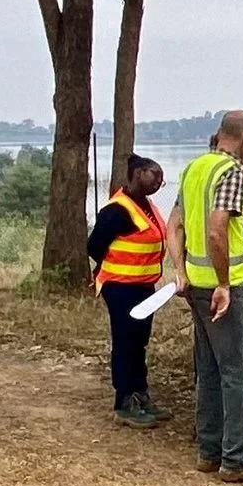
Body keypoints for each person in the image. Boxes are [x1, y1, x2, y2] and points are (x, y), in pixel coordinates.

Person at [169, 112, 243, 484]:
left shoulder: (194, 168)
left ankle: (210, 449)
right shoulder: (232, 172)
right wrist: (222, 283)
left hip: (196, 286)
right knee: (238, 371)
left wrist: (181, 273)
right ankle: (237, 457)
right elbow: (217, 231)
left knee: (211, 369)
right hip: (225, 289)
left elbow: (175, 226)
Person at [87, 155, 168, 429]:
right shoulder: (117, 210)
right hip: (121, 286)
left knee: (139, 342)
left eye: (161, 178)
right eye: (153, 175)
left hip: (144, 286)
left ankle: (140, 393)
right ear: (136, 174)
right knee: (125, 342)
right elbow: (94, 245)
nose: (159, 182)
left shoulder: (147, 206)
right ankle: (124, 402)